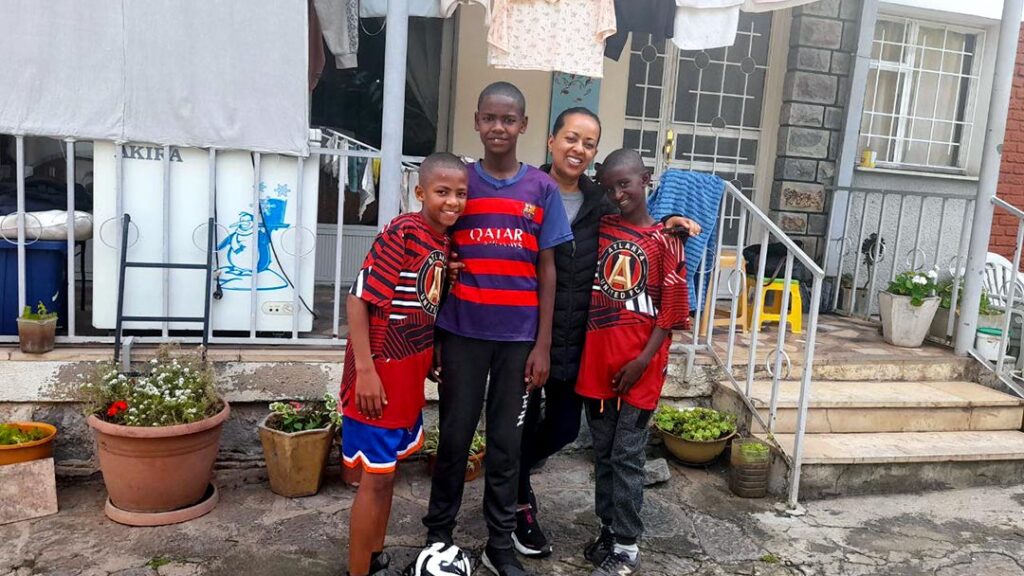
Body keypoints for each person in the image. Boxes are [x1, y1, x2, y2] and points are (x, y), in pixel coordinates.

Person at [513, 108, 701, 558]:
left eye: (588, 142)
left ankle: (624, 539)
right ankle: (523, 503)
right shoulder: (531, 190)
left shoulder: (606, 208)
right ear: (551, 140)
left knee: (581, 439)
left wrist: (674, 224)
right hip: (532, 338)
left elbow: (666, 294)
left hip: (597, 354)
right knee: (539, 439)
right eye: (570, 138)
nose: (577, 148)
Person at [421, 81, 573, 576]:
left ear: (524, 126)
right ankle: (438, 537)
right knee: (454, 440)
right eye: (490, 118)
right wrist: (439, 335)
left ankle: (499, 543)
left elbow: (548, 271)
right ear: (476, 121)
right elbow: (432, 244)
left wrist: (543, 344)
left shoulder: (542, 189)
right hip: (463, 332)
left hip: (518, 341)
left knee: (507, 446)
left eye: (509, 120)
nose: (499, 128)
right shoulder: (458, 182)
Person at [340, 153, 469, 576]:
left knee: (386, 475)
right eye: (442, 192)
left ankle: (373, 557)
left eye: (460, 193)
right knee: (375, 481)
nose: (452, 201)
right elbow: (358, 299)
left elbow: (419, 305)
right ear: (420, 193)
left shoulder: (442, 241)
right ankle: (357, 570)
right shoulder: (403, 232)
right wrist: (367, 371)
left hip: (409, 376)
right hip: (378, 378)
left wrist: (429, 355)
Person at [575, 148, 690, 576]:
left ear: (646, 180)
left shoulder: (667, 241)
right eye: (609, 187)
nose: (618, 194)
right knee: (603, 454)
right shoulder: (601, 228)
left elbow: (672, 312)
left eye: (625, 184)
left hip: (640, 368)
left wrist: (642, 360)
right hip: (597, 364)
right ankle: (609, 528)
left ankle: (627, 545)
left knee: (627, 455)